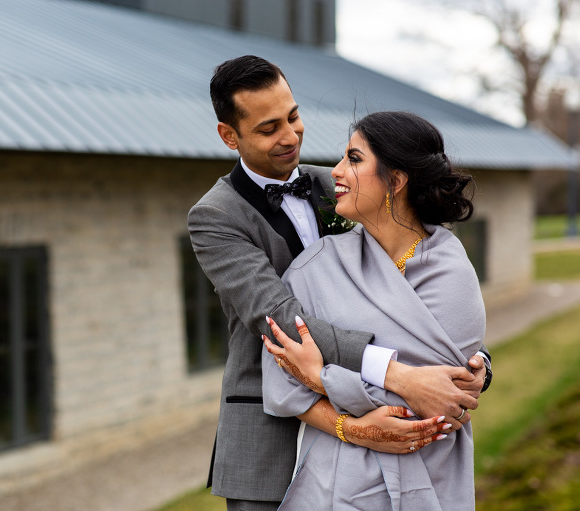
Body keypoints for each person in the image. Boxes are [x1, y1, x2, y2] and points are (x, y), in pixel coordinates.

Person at [188, 55, 490, 510]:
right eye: (269, 128)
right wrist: (399, 375)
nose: (291, 137)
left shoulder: (335, 187)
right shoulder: (214, 217)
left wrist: (471, 363)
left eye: (293, 117)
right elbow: (282, 319)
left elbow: (399, 300)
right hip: (268, 429)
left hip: (363, 422)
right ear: (229, 135)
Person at [262, 111, 486, 509]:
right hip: (334, 488)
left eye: (354, 158)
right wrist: (354, 416)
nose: (335, 171)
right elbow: (282, 386)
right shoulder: (314, 268)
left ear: (396, 181)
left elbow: (440, 406)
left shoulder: (452, 270)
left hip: (431, 480)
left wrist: (321, 376)